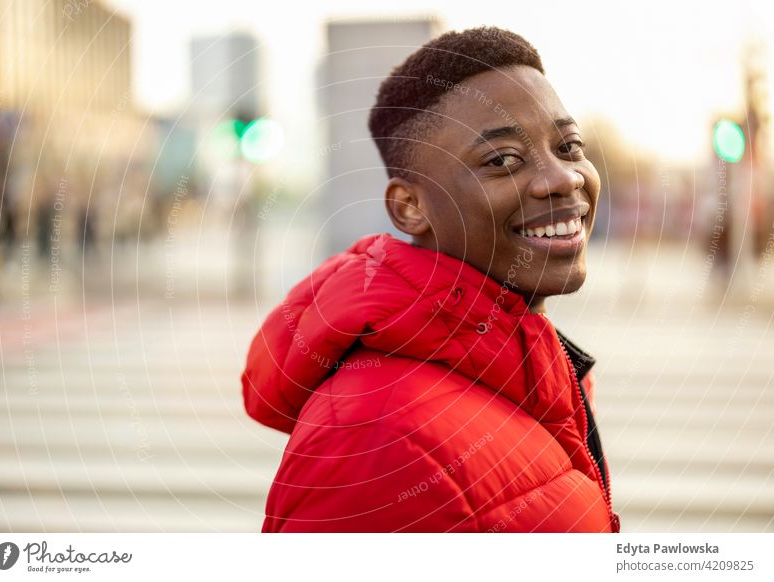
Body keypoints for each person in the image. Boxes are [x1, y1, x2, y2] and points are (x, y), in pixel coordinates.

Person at [241, 26, 619, 532]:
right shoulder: (375, 436)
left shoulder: (528, 369)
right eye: (502, 160)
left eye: (569, 146)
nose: (562, 178)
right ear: (410, 207)